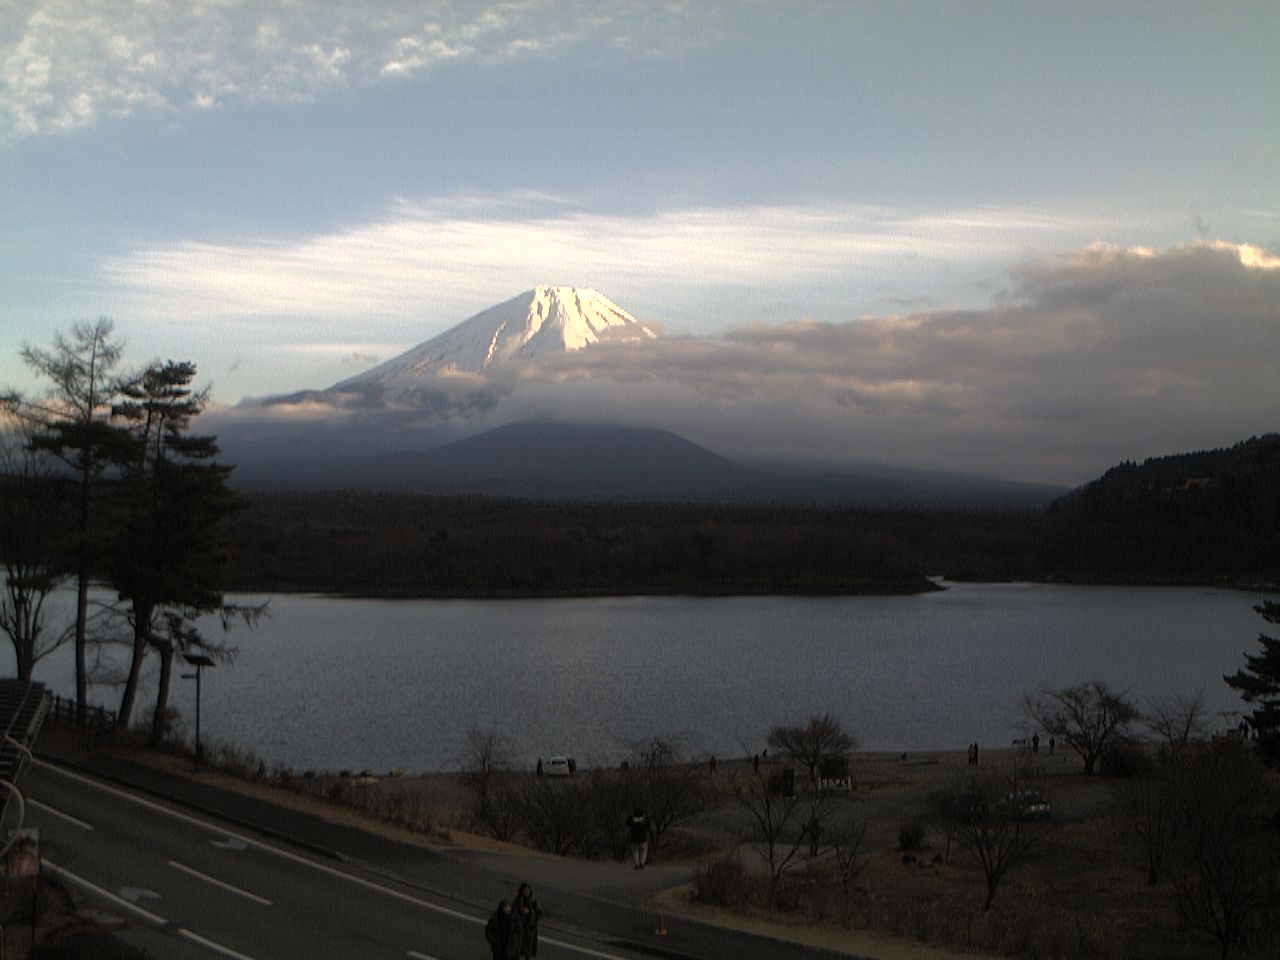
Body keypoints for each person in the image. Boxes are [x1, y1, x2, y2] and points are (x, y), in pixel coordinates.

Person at [514, 882, 542, 958]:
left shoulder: (534, 901)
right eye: (525, 890)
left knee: (528, 949)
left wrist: (530, 912)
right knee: (518, 948)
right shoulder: (518, 901)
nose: (527, 892)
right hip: (521, 928)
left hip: (530, 929)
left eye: (528, 890)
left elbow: (539, 913)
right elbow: (514, 913)